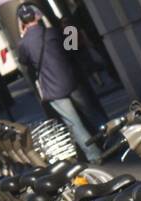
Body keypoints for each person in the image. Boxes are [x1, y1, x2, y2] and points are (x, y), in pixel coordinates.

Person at [15, 3, 102, 162]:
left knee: (74, 123)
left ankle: (94, 155)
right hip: (71, 80)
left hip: (52, 88)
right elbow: (71, 46)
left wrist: (22, 35)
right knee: (91, 111)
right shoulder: (52, 32)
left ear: (22, 22)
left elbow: (24, 61)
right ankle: (110, 138)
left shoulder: (24, 44)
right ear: (37, 16)